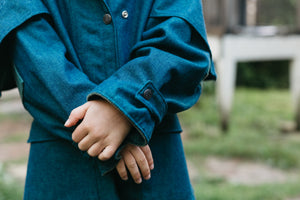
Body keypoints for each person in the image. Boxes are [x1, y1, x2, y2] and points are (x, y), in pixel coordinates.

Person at [0, 0, 216, 199]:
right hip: (65, 165)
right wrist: (117, 114)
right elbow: (31, 53)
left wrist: (122, 108)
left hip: (153, 160)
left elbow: (181, 40)